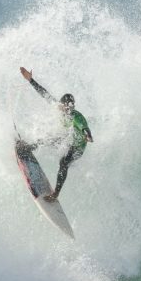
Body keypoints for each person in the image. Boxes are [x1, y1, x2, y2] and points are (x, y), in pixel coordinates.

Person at [19, 66, 93, 202]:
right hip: (68, 139)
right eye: (67, 106)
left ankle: (55, 194)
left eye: (71, 107)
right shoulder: (59, 107)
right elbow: (44, 93)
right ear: (62, 104)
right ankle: (27, 148)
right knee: (50, 138)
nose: (69, 109)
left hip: (78, 148)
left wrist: (88, 136)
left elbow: (84, 128)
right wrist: (31, 80)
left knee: (63, 163)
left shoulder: (77, 117)